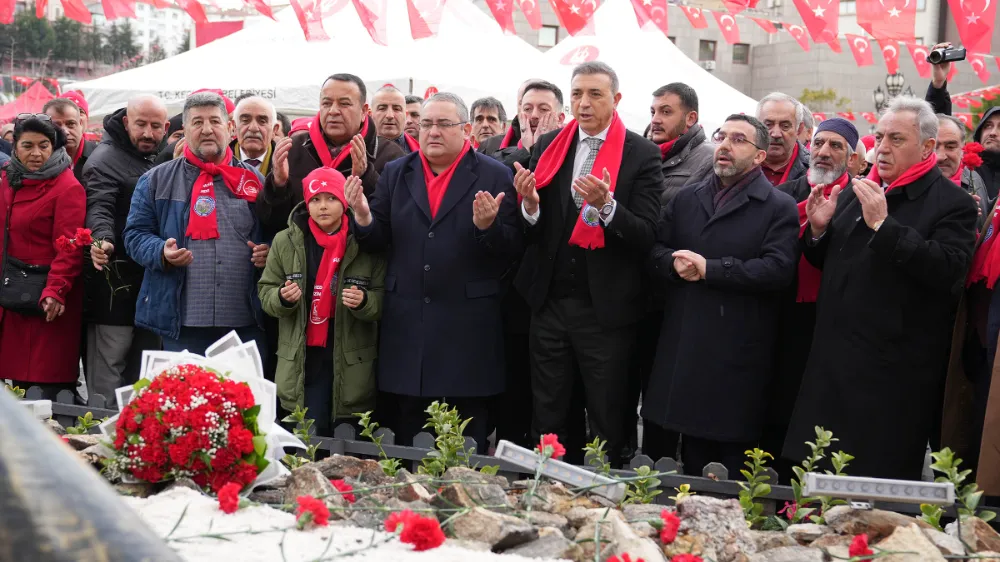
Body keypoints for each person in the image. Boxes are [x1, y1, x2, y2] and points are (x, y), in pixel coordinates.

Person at [784, 96, 977, 480]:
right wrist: (819, 232)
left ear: (926, 148)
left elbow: (949, 271)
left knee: (870, 492)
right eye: (879, 136)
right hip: (831, 364)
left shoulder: (952, 203)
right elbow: (835, 264)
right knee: (813, 478)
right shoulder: (862, 191)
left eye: (896, 139)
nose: (882, 147)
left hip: (889, 376)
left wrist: (886, 228)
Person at [346, 92, 521, 451]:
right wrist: (362, 215)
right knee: (408, 440)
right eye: (426, 124)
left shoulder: (494, 174)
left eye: (444, 124)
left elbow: (512, 250)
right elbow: (377, 239)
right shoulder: (398, 172)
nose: (433, 132)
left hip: (467, 331)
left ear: (467, 130)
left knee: (462, 445)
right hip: (408, 326)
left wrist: (487, 227)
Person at [513, 62, 663, 465]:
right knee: (548, 407)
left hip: (606, 309)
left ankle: (605, 493)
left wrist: (607, 206)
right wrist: (529, 207)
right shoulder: (549, 145)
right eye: (577, 93)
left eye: (595, 94)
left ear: (615, 100)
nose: (583, 103)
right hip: (549, 301)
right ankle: (547, 484)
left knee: (607, 409)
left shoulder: (641, 154)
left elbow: (647, 234)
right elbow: (535, 228)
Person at [643, 114, 798, 475]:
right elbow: (654, 250)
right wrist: (671, 264)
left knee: (727, 462)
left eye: (739, 139)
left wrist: (712, 269)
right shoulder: (687, 198)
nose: (725, 145)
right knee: (680, 457)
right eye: (722, 136)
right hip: (686, 343)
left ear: (760, 156)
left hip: (737, 351)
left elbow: (778, 269)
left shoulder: (778, 206)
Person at [123, 92, 270, 355]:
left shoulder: (255, 181)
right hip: (181, 323)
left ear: (230, 128)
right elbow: (134, 235)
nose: (206, 130)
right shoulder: (155, 180)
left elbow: (276, 232)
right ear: (184, 130)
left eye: (214, 121)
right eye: (197, 122)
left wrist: (268, 249)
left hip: (244, 321)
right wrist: (160, 251)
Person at [258, 167, 385, 437]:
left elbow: (384, 299)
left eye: (331, 198)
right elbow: (265, 292)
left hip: (350, 356)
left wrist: (365, 302)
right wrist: (281, 297)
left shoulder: (364, 242)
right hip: (302, 357)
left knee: (346, 443)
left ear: (345, 202)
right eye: (315, 199)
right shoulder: (286, 241)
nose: (323, 206)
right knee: (304, 441)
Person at [767, 117, 860, 480]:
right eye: (819, 143)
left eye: (836, 146)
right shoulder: (783, 194)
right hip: (782, 310)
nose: (824, 152)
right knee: (776, 400)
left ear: (852, 158)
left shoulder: (860, 197)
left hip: (830, 319)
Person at [82, 95, 169, 402]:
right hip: (113, 287)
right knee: (108, 376)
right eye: (141, 124)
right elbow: (99, 206)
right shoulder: (104, 159)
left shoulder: (160, 156)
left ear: (166, 127)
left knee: (146, 376)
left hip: (151, 283)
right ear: (126, 122)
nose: (148, 133)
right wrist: (102, 238)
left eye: (155, 126)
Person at [0, 116, 86, 399]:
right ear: (15, 146)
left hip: (43, 301)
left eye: (44, 145)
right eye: (28, 145)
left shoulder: (67, 187)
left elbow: (69, 247)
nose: (36, 153)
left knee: (40, 391)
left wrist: (56, 290)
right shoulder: (7, 179)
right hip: (8, 297)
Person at [256, 74, 405, 235]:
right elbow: (270, 222)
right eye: (327, 103)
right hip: (302, 257)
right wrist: (278, 185)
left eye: (344, 104)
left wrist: (366, 176)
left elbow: (394, 222)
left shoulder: (390, 154)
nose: (333, 111)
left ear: (363, 111)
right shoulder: (294, 148)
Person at [483, 80, 565, 169]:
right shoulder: (499, 156)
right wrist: (526, 151)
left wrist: (541, 145)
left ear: (560, 119)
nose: (534, 115)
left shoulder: (574, 153)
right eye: (527, 109)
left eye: (543, 109)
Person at [936, 114, 989, 224]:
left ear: (962, 148)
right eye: (933, 147)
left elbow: (987, 213)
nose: (940, 156)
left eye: (950, 147)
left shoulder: (972, 176)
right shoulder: (908, 188)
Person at [756, 92, 810, 186]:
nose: (776, 134)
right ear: (756, 126)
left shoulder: (815, 169)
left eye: (785, 126)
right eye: (768, 125)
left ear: (799, 129)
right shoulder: (739, 164)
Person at [44, 98, 96, 182]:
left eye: (71, 124)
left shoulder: (101, 158)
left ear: (80, 124)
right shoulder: (38, 160)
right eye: (56, 125)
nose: (65, 131)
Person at [231, 96, 279, 176]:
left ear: (274, 130)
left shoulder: (289, 163)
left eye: (262, 121)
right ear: (235, 127)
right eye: (245, 121)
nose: (253, 128)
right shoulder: (219, 161)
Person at [373, 86, 416, 154]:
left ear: (406, 115)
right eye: (382, 108)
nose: (390, 116)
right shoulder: (355, 151)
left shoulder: (422, 153)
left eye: (397, 109)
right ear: (370, 114)